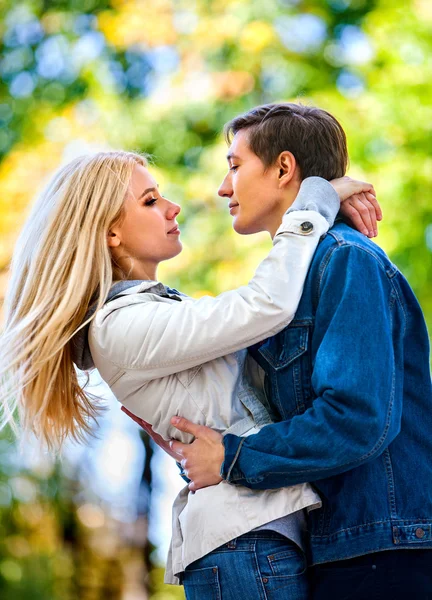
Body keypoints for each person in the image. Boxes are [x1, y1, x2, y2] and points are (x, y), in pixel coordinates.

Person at [0, 144, 378, 598]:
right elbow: (265, 305)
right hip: (242, 544)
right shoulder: (120, 326)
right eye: (150, 200)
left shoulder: (156, 310)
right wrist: (315, 199)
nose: (172, 206)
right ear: (111, 234)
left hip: (262, 534)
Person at [165, 103, 432, 599]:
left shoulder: (346, 261)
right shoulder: (292, 281)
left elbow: (355, 418)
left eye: (235, 165)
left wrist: (231, 457)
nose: (224, 188)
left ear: (284, 168)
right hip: (343, 548)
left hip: (381, 552)